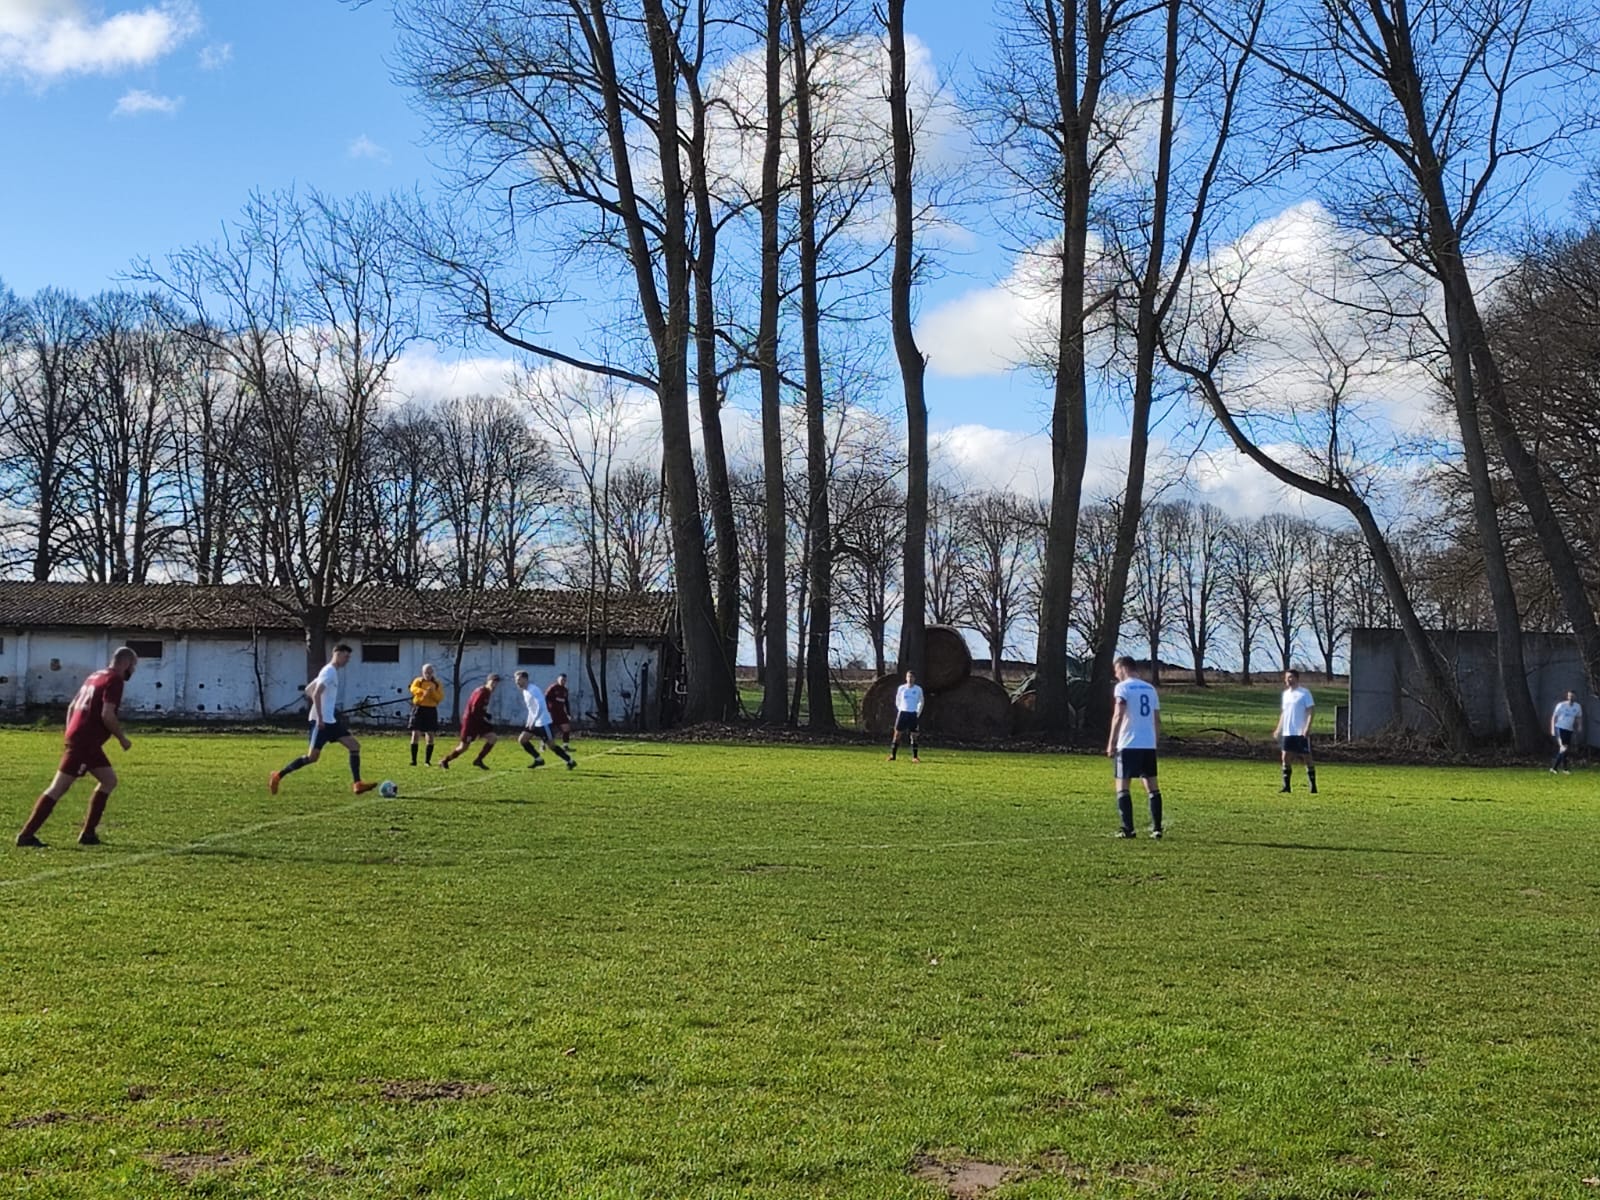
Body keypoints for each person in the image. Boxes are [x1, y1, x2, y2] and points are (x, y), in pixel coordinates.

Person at [16, 646, 139, 847]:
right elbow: (107, 715)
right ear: (126, 663)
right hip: (85, 742)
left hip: (83, 740)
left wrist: (70, 731)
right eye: (133, 666)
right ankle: (26, 835)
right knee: (58, 787)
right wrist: (122, 738)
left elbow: (72, 706)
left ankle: (88, 834)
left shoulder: (96, 675)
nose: (132, 671)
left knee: (109, 780)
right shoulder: (114, 680)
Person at [270, 645, 378, 796]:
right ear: (338, 654)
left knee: (354, 746)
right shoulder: (329, 672)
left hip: (331, 721)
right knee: (311, 757)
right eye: (346, 657)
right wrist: (320, 717)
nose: (347, 660)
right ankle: (278, 776)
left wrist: (327, 710)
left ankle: (357, 784)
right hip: (322, 723)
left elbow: (308, 690)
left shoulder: (328, 671)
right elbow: (315, 694)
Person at [1106, 656, 1164, 839]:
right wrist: (1155, 741)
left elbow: (1118, 715)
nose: (1116, 675)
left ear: (1123, 668)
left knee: (1122, 785)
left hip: (1128, 742)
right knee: (1152, 786)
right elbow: (1156, 719)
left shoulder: (1122, 688)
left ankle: (1128, 828)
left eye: (1116, 671)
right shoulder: (1150, 688)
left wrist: (1111, 742)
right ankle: (1157, 829)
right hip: (1147, 743)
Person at [514, 671, 577, 770]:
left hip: (544, 722)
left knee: (551, 746)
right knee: (522, 739)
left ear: (525, 679)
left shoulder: (533, 689)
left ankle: (570, 761)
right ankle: (538, 759)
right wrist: (529, 722)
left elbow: (541, 706)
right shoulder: (525, 691)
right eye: (516, 680)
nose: (517, 682)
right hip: (535, 722)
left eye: (518, 680)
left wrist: (534, 720)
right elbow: (531, 709)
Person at [440, 673, 501, 770]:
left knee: (493, 737)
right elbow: (474, 709)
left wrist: (485, 714)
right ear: (488, 681)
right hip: (471, 722)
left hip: (478, 721)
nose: (494, 685)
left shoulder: (487, 692)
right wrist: (483, 718)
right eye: (493, 682)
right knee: (463, 747)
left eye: (496, 683)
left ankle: (479, 760)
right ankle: (445, 760)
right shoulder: (482, 692)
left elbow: (479, 708)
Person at [1273, 668, 1317, 794]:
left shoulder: (1304, 693)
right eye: (1287, 677)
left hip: (1300, 731)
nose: (1288, 680)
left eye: (1291, 677)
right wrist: (1278, 728)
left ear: (1296, 678)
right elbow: (1284, 713)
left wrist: (1307, 727)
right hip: (1288, 731)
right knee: (1285, 757)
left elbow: (1310, 711)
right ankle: (1286, 786)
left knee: (1306, 757)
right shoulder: (1286, 694)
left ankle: (1313, 786)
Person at [407, 663, 444, 766]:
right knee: (415, 734)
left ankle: (427, 761)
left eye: (430, 672)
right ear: (422, 672)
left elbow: (439, 698)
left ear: (433, 673)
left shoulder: (437, 684)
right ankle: (414, 760)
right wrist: (423, 692)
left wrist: (432, 693)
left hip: (431, 710)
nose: (428, 674)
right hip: (418, 709)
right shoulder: (418, 681)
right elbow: (413, 689)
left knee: (430, 735)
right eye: (426, 672)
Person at [887, 669, 924, 762]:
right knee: (897, 734)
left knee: (914, 735)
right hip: (903, 713)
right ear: (906, 678)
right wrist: (900, 709)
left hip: (913, 714)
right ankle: (893, 755)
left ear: (914, 678)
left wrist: (917, 712)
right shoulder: (901, 688)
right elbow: (898, 700)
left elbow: (921, 701)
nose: (910, 679)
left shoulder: (918, 689)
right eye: (908, 677)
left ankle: (915, 757)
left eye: (911, 677)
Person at [1550, 689, 1585, 774]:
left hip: (1569, 729)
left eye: (1572, 696)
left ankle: (1557, 768)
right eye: (1569, 696)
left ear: (1575, 697)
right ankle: (1562, 768)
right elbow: (1554, 717)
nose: (1571, 698)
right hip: (1560, 728)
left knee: (1564, 749)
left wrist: (1579, 726)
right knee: (1563, 747)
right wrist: (1552, 729)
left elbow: (1579, 717)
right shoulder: (1561, 705)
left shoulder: (1577, 706)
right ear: (1567, 696)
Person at [545, 673, 573, 748]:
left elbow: (566, 702)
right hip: (552, 712)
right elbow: (546, 698)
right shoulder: (553, 688)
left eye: (564, 680)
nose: (563, 681)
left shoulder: (565, 690)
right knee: (549, 729)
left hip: (561, 712)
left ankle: (565, 746)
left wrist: (568, 712)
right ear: (558, 679)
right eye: (561, 680)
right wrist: (547, 709)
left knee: (566, 728)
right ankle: (543, 744)